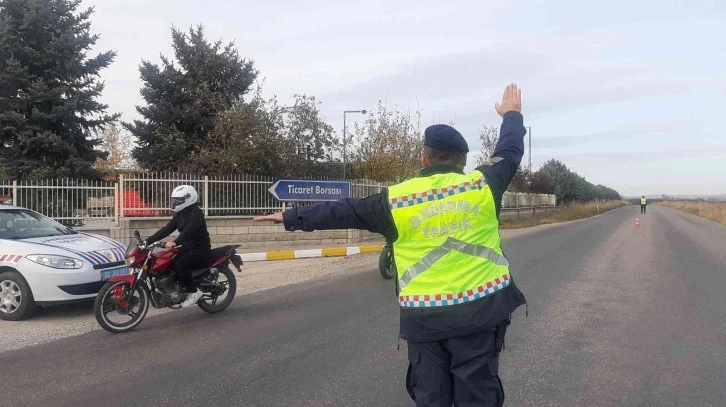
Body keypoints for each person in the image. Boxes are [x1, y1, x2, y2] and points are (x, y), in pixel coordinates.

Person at [255, 84, 528, 406]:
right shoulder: (483, 185)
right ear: (464, 160)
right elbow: (510, 150)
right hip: (481, 310)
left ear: (424, 158)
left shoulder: (396, 199)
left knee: (431, 394)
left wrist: (290, 217)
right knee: (478, 392)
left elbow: (344, 210)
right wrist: (511, 115)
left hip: (424, 317)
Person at [146, 185, 212, 308]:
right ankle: (174, 288)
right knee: (167, 260)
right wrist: (148, 241)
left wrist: (175, 242)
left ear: (188, 199)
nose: (175, 203)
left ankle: (193, 291)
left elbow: (189, 231)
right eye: (174, 200)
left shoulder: (196, 214)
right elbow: (166, 229)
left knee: (180, 264)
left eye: (178, 201)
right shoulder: (181, 214)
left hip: (200, 248)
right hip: (187, 246)